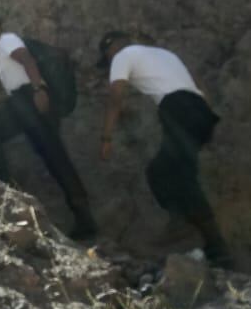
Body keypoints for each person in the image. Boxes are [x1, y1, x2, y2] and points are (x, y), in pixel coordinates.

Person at [97, 31, 230, 267]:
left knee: (181, 178)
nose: (109, 64)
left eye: (107, 59)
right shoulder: (164, 54)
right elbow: (197, 82)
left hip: (177, 108)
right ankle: (185, 224)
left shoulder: (122, 55)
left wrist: (106, 137)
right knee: (162, 171)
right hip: (199, 111)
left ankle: (214, 245)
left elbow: (116, 95)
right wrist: (206, 118)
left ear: (111, 49)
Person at [0, 11, 97, 240]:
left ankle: (4, 190)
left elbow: (27, 59)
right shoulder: (3, 49)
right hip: (27, 102)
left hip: (27, 99)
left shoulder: (7, 40)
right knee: (55, 157)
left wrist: (39, 89)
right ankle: (83, 215)